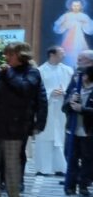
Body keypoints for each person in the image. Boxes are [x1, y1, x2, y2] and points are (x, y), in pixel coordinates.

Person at [0, 42, 47, 197]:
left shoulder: (31, 72)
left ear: (21, 55)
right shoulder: (2, 70)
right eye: (6, 54)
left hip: (15, 126)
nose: (6, 58)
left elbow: (24, 88)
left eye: (10, 54)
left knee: (12, 165)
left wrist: (7, 73)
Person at [35, 46, 73, 176]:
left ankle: (60, 167)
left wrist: (66, 93)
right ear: (52, 54)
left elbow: (72, 89)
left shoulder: (68, 70)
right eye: (61, 53)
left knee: (60, 137)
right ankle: (44, 168)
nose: (64, 55)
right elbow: (36, 91)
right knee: (45, 137)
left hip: (62, 108)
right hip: (47, 108)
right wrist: (51, 93)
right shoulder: (40, 71)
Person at [63, 66, 93, 196]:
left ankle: (83, 185)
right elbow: (64, 108)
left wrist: (82, 109)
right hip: (72, 130)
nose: (77, 78)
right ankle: (70, 185)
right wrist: (70, 101)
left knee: (88, 160)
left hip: (88, 132)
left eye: (82, 75)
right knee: (71, 158)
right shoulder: (75, 89)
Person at [53, 0, 93, 67]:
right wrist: (64, 25)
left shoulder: (84, 16)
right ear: (71, 6)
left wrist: (85, 23)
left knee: (80, 51)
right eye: (74, 5)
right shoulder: (66, 16)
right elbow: (57, 26)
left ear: (81, 6)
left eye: (77, 6)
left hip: (79, 38)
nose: (76, 7)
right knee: (68, 55)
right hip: (68, 38)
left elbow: (90, 29)